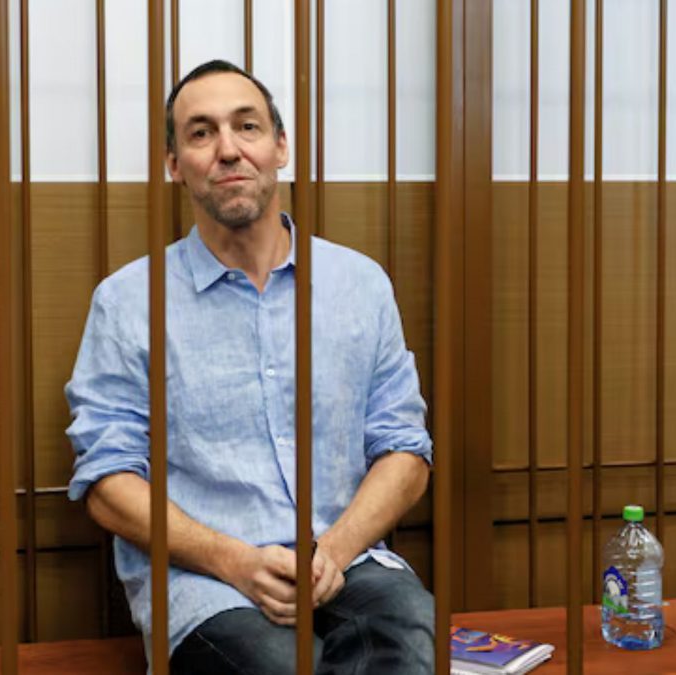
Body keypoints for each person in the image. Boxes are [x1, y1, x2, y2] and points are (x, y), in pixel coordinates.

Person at [65, 59, 435, 674]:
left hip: (346, 562)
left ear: (280, 146)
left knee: (412, 631)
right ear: (174, 163)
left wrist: (332, 552)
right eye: (201, 132)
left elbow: (406, 451)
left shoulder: (360, 284)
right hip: (206, 583)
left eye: (247, 126)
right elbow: (107, 483)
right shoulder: (128, 302)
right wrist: (233, 560)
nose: (228, 149)